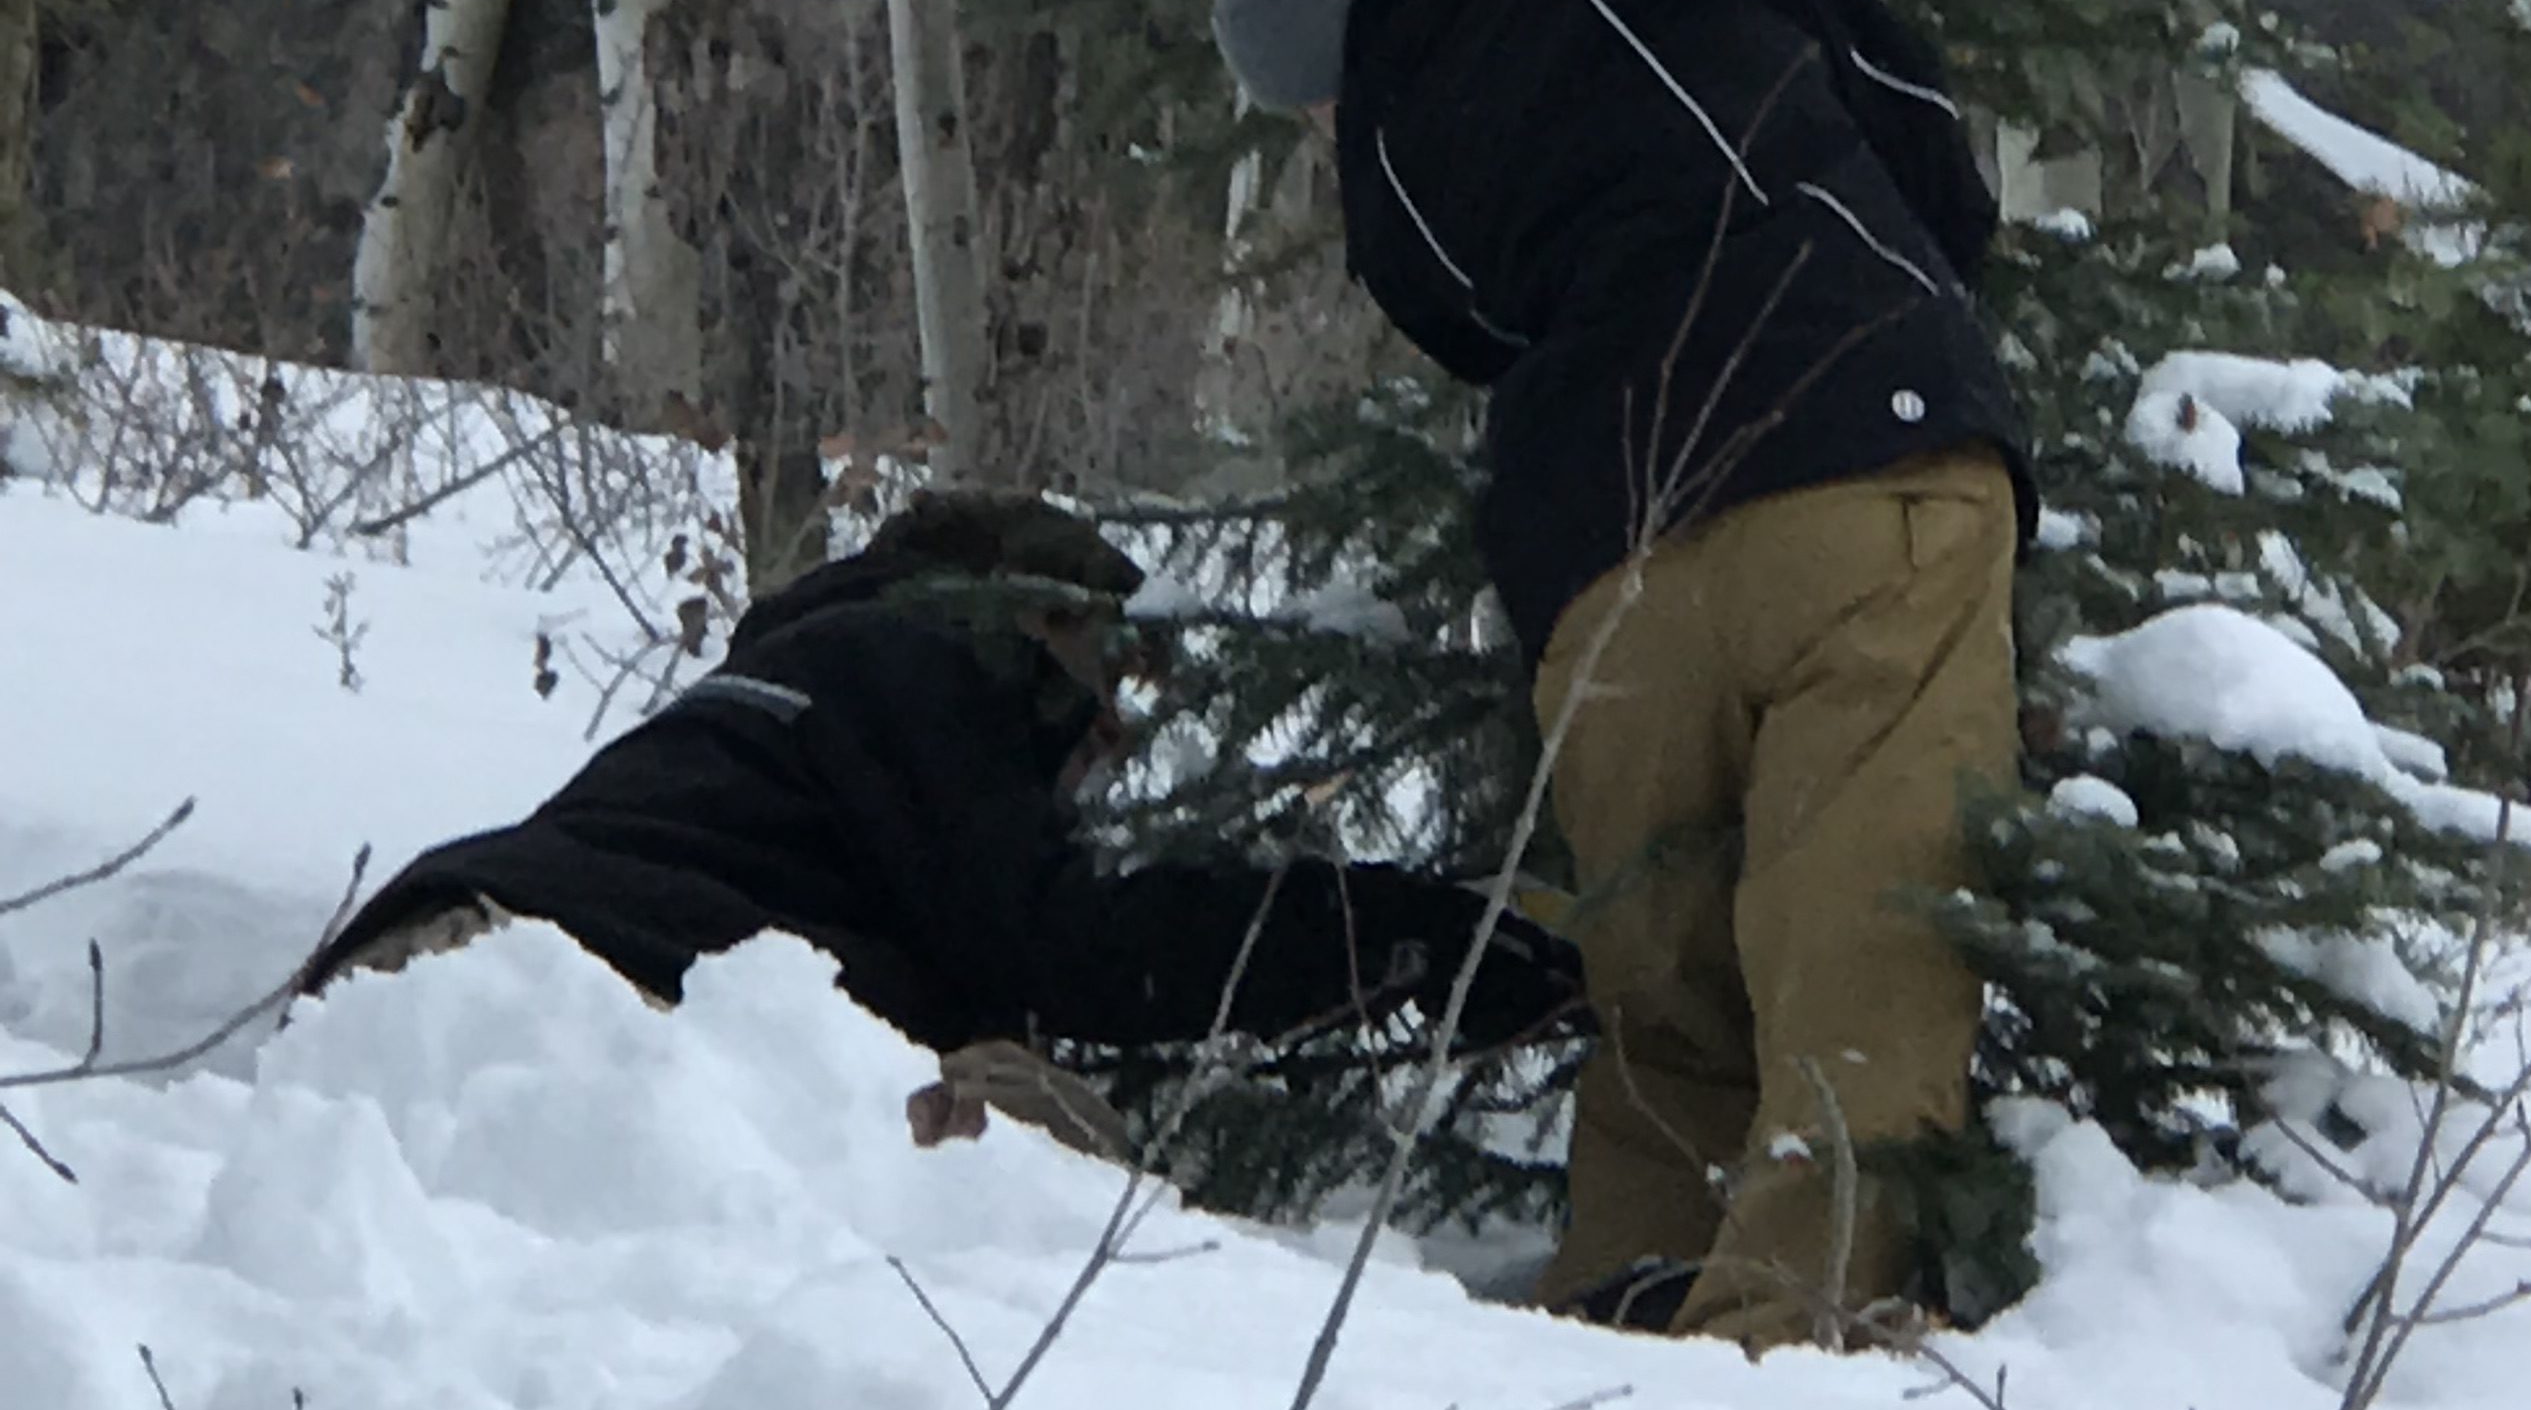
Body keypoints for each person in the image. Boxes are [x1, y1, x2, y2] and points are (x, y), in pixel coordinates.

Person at [1213, 0, 2034, 1351]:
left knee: (1665, 1000)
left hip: (1607, 565)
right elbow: (1907, 103)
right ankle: (1794, 1342)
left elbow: (1491, 339)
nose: (1329, 125)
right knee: (1865, 944)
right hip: (1869, 460)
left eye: (1312, 97)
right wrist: (1915, 284)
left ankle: (1609, 1338)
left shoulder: (1394, 187)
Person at [303, 488, 1579, 1151]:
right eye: (1108, 671)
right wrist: (1390, 933)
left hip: (424, 959)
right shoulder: (938, 658)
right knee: (1046, 1152)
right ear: (1032, 616)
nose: (1115, 731)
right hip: (609, 995)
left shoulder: (781, 695)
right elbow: (1065, 950)